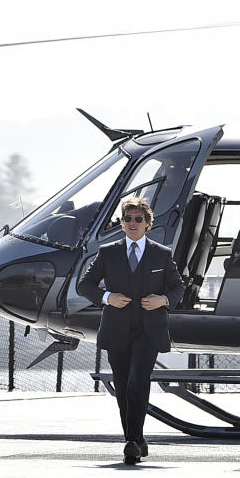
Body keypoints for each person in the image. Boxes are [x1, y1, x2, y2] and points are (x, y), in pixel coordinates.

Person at [78, 196, 184, 464]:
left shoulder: (162, 254)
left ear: (148, 224)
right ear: (122, 223)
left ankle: (132, 441)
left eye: (138, 219)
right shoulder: (108, 252)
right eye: (127, 219)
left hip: (149, 331)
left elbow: (178, 288)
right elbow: (85, 285)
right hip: (117, 330)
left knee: (139, 380)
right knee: (124, 386)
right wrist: (106, 297)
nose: (132, 223)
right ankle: (135, 438)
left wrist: (164, 300)